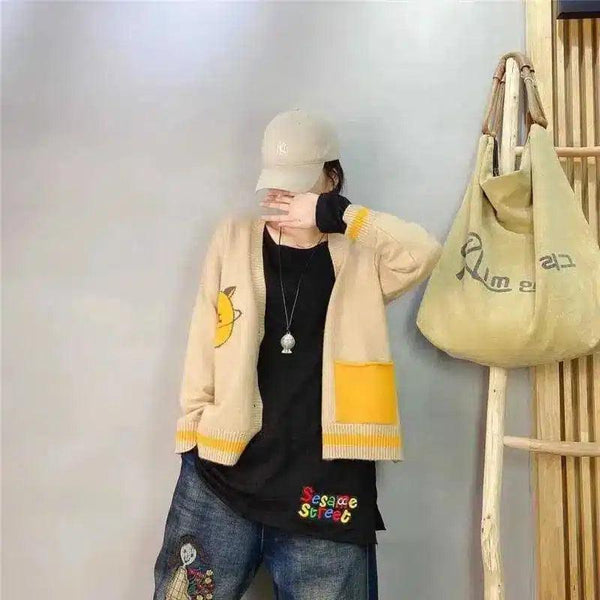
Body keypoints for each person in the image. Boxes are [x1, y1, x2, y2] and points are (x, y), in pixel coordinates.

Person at [153, 108, 442, 600]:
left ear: (331, 178)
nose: (283, 194)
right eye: (276, 181)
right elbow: (205, 337)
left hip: (325, 487)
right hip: (224, 473)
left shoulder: (359, 255)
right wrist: (193, 435)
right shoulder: (233, 238)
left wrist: (339, 215)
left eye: (300, 182)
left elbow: (422, 252)